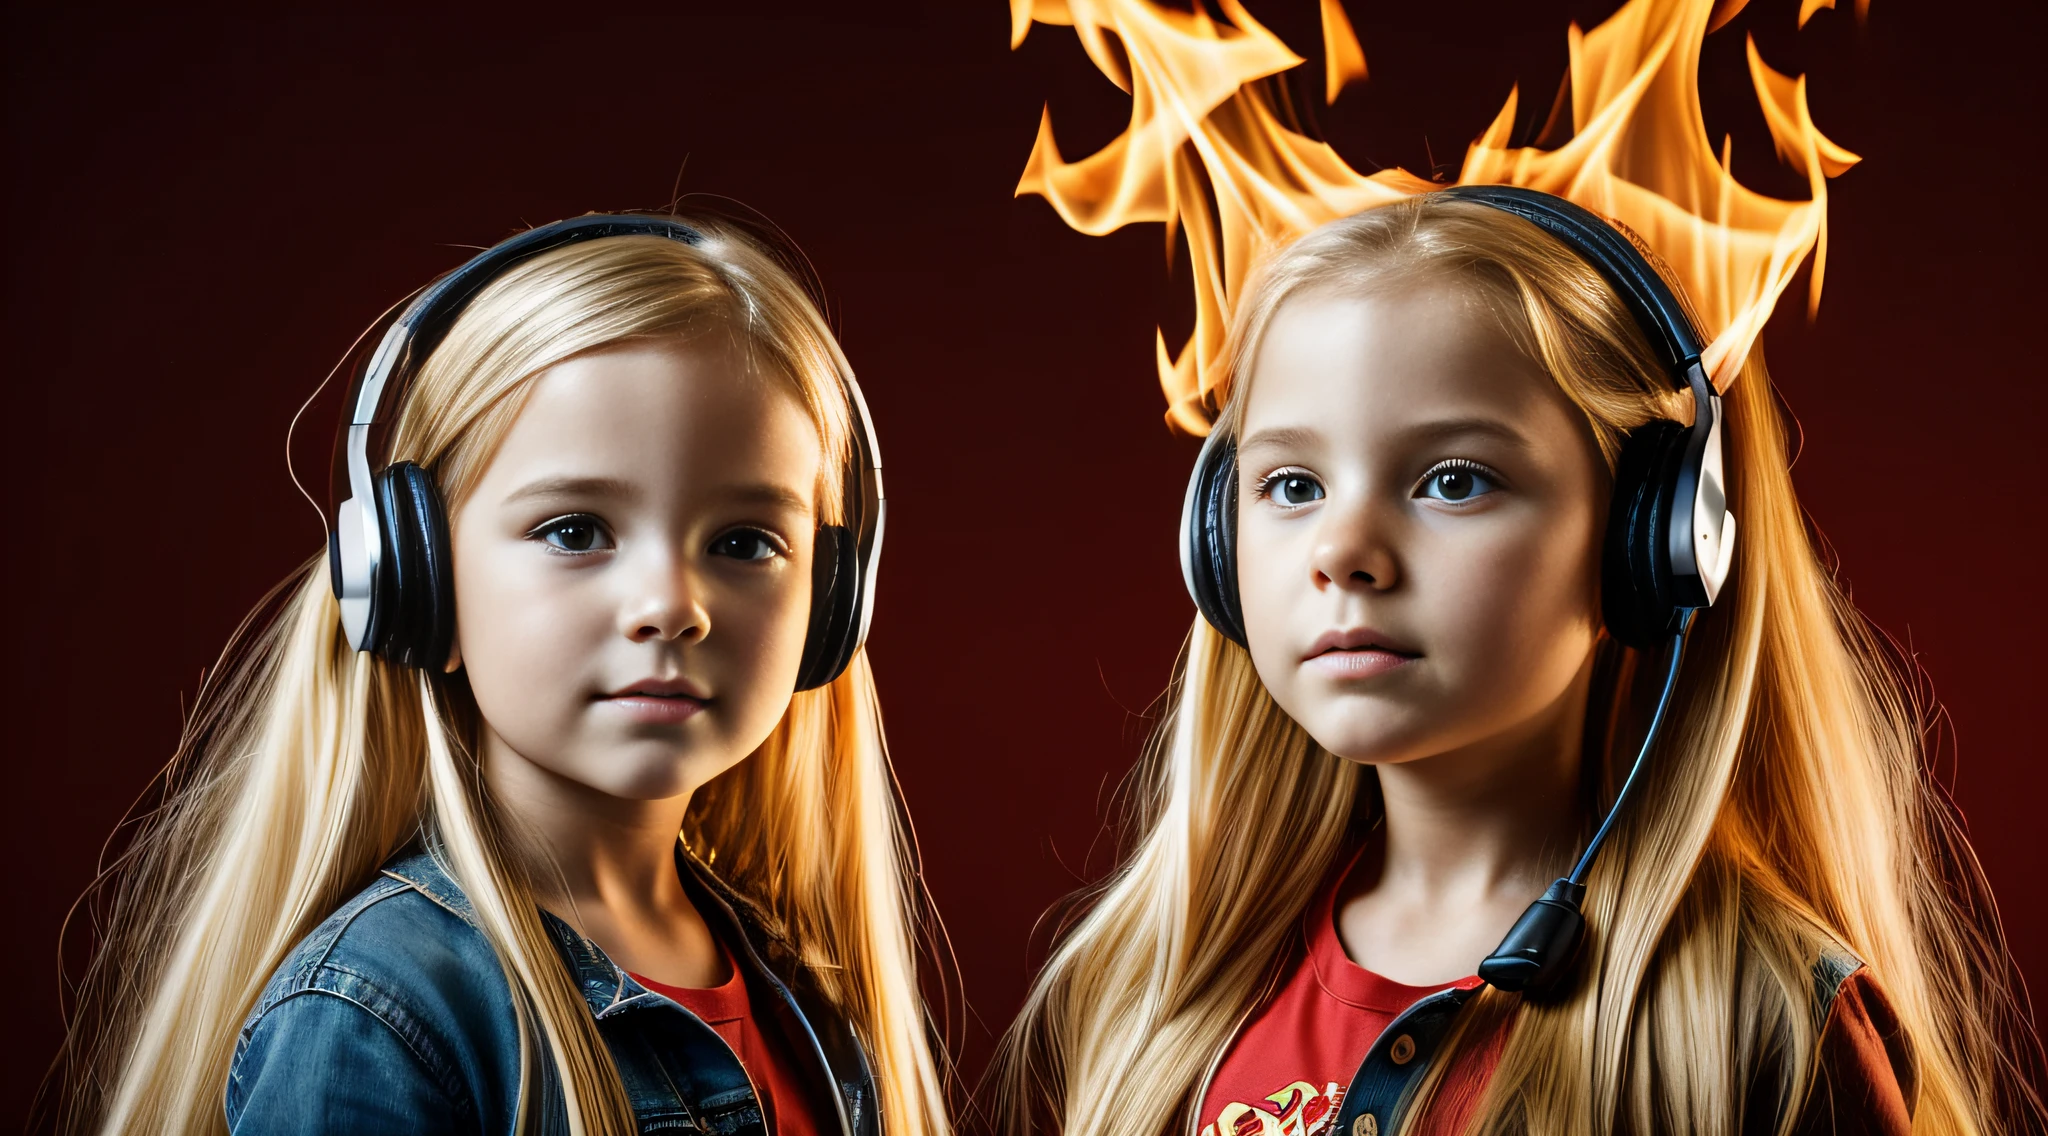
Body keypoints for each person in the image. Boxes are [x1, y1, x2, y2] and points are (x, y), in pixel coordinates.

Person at [994, 191, 2043, 1135]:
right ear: (1216, 546)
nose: (1341, 552)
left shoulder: (1755, 1019)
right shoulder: (1160, 986)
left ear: (1652, 540)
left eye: (1453, 479)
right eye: (1292, 483)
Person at [53, 214, 948, 1136]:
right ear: (415, 582)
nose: (671, 606)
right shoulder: (380, 1014)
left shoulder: (797, 992)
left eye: (744, 543)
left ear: (831, 608)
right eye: (575, 530)